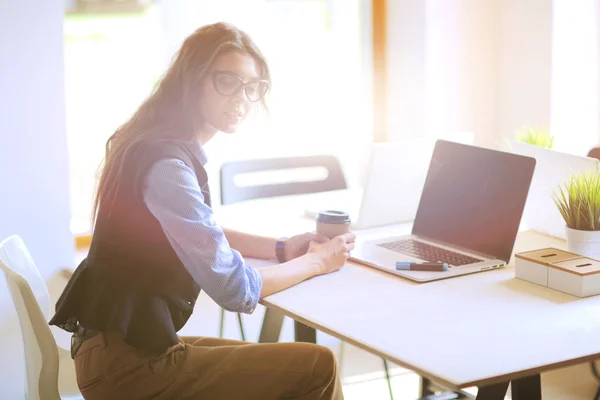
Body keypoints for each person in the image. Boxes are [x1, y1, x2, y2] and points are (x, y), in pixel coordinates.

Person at [49, 22, 355, 400]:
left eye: (252, 86)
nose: (242, 97)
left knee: (295, 366)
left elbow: (198, 234)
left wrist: (281, 248)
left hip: (123, 351)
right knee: (317, 366)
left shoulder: (156, 143)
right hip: (128, 370)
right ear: (191, 79)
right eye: (227, 81)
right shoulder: (167, 164)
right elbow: (235, 288)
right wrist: (319, 262)